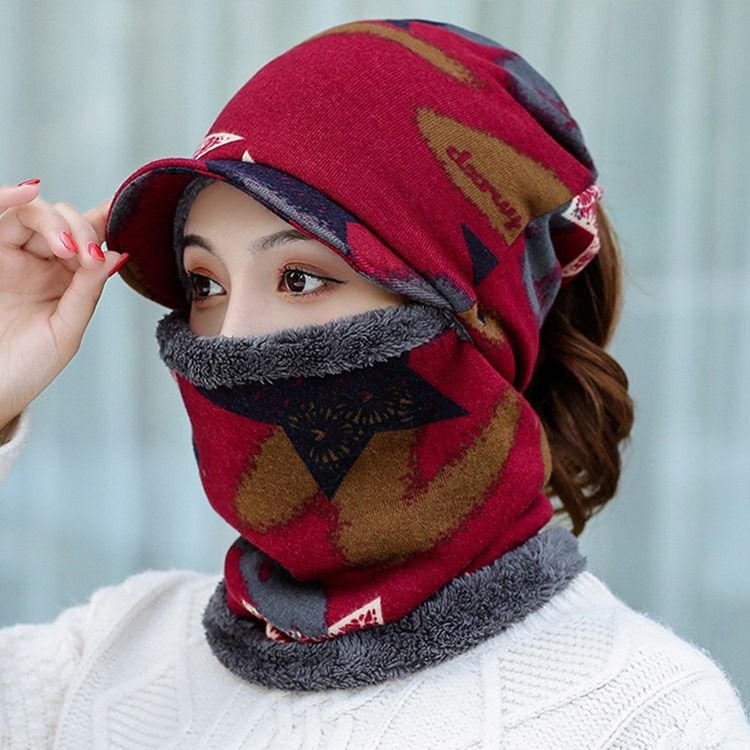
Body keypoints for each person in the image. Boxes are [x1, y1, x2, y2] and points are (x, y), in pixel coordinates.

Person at [1, 18, 748, 749]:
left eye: (300, 276)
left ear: (479, 316)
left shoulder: (648, 716)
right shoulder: (109, 654)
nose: (230, 340)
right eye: (204, 284)